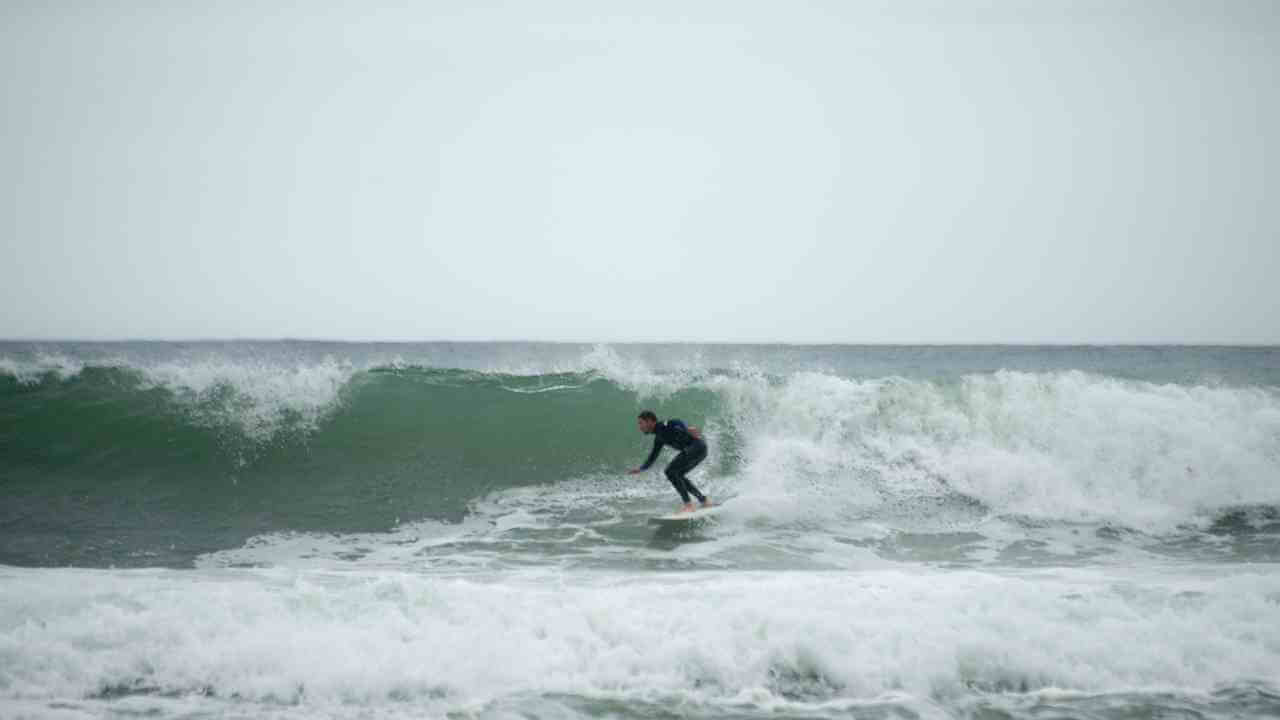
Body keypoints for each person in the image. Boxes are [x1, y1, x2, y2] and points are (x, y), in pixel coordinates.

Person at [628, 410, 711, 513]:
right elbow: (653, 456)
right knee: (678, 474)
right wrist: (641, 468)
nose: (639, 427)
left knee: (670, 471)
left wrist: (687, 428)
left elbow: (676, 421)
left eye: (641, 423)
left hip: (697, 446)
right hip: (700, 450)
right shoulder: (659, 438)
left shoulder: (662, 425)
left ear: (649, 421)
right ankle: (704, 500)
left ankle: (688, 505)